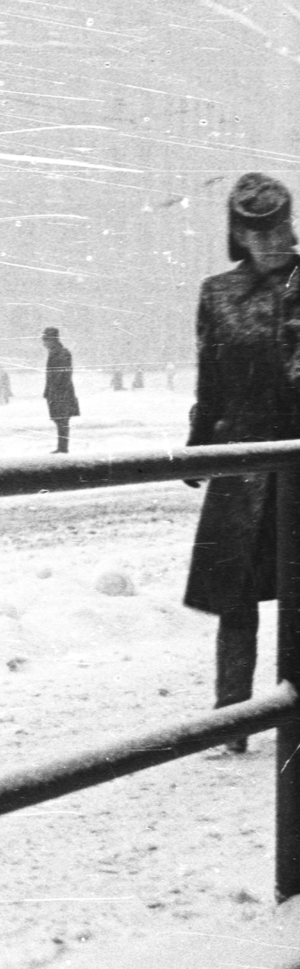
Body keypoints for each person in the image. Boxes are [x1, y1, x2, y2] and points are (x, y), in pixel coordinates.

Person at [184, 172, 300, 753]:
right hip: (240, 463)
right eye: (263, 231)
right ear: (239, 235)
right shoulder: (217, 293)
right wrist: (200, 444)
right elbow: (211, 379)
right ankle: (231, 718)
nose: (278, 238)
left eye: (283, 225)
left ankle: (292, 714)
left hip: (296, 463)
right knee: (237, 599)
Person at [41, 327, 79, 453]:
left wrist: (55, 390)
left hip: (61, 393)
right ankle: (62, 447)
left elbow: (63, 374)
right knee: (59, 420)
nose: (44, 343)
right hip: (56, 392)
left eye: (45, 340)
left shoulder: (62, 353)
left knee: (62, 420)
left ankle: (63, 448)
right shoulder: (55, 352)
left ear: (52, 340)